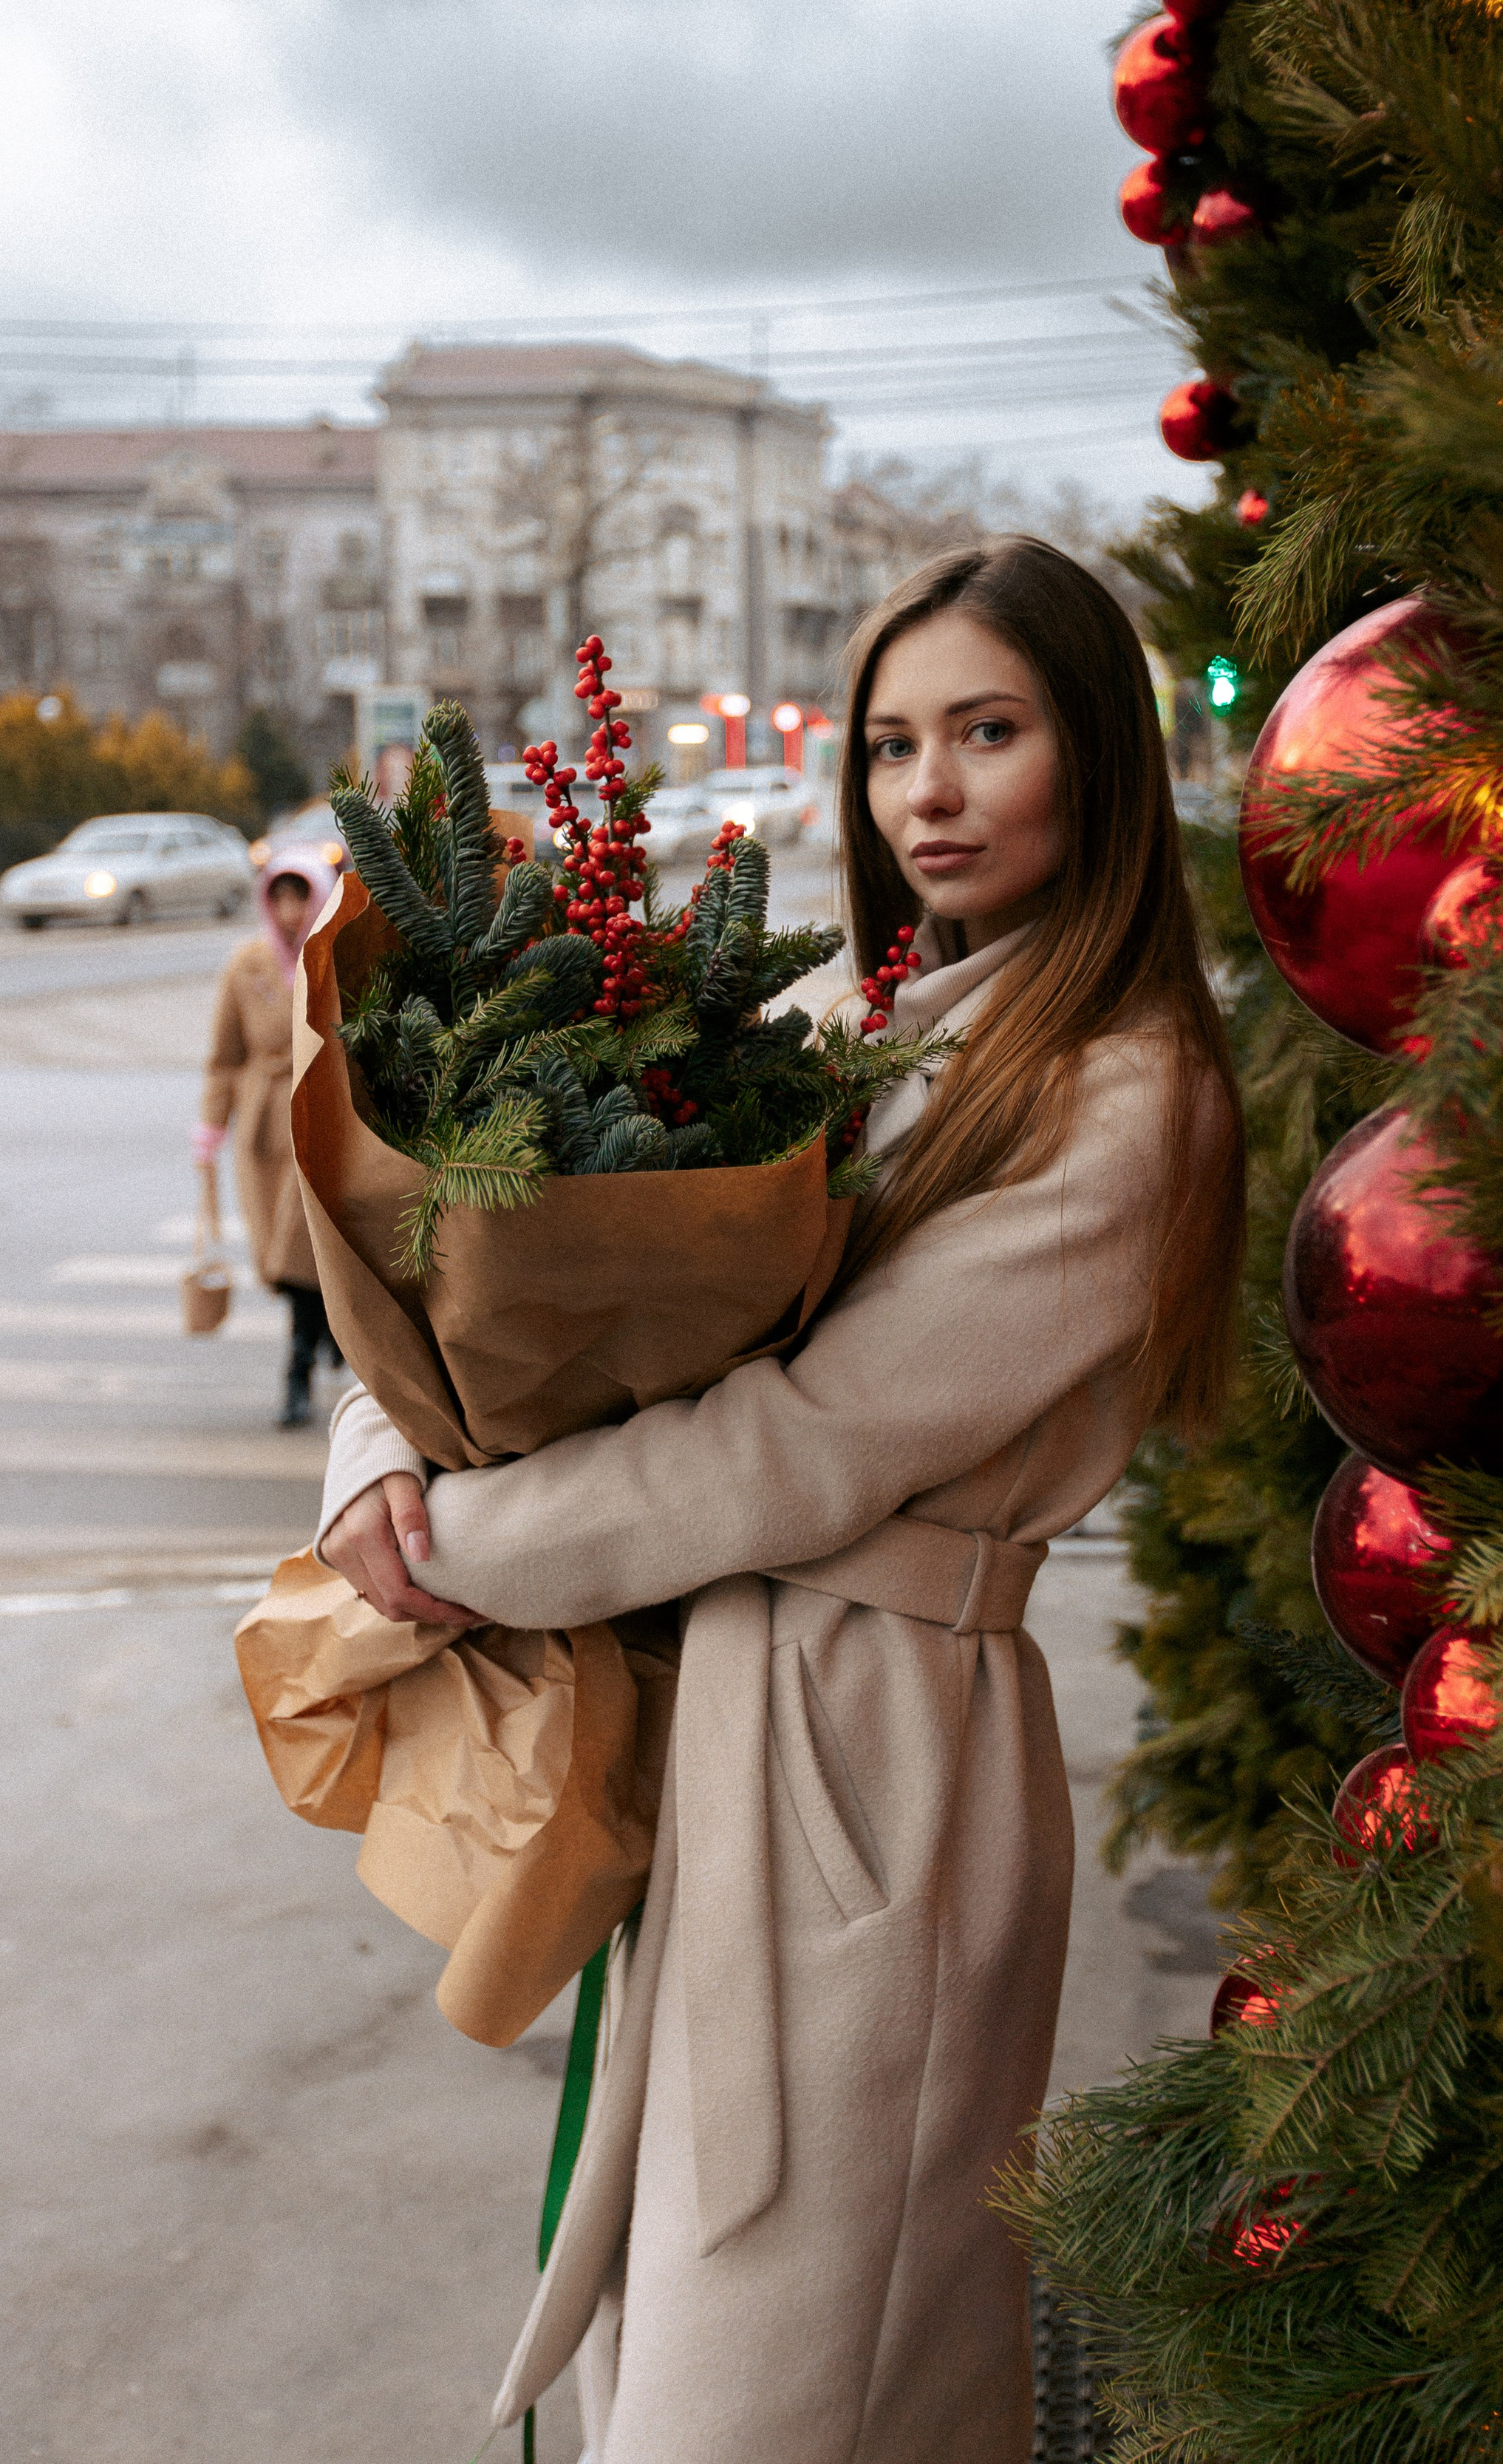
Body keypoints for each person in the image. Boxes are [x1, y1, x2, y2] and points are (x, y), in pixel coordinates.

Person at [316, 540, 1247, 2464]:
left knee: (804, 2386)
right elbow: (563, 1299)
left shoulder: (1127, 1094)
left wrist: (459, 1551)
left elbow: (801, 1442)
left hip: (874, 1753)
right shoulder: (860, 1028)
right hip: (718, 1705)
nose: (930, 787)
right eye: (896, 740)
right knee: (690, 2335)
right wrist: (383, 1454)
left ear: (1101, 759)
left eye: (989, 731)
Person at [194, 851, 343, 1428]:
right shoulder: (246, 963)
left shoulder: (335, 955)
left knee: (302, 1253)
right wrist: (212, 1125)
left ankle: (297, 1372)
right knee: (279, 1261)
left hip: (320, 1119)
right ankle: (324, 1327)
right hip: (262, 1129)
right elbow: (224, 1056)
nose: (289, 912)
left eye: (300, 897)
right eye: (278, 897)